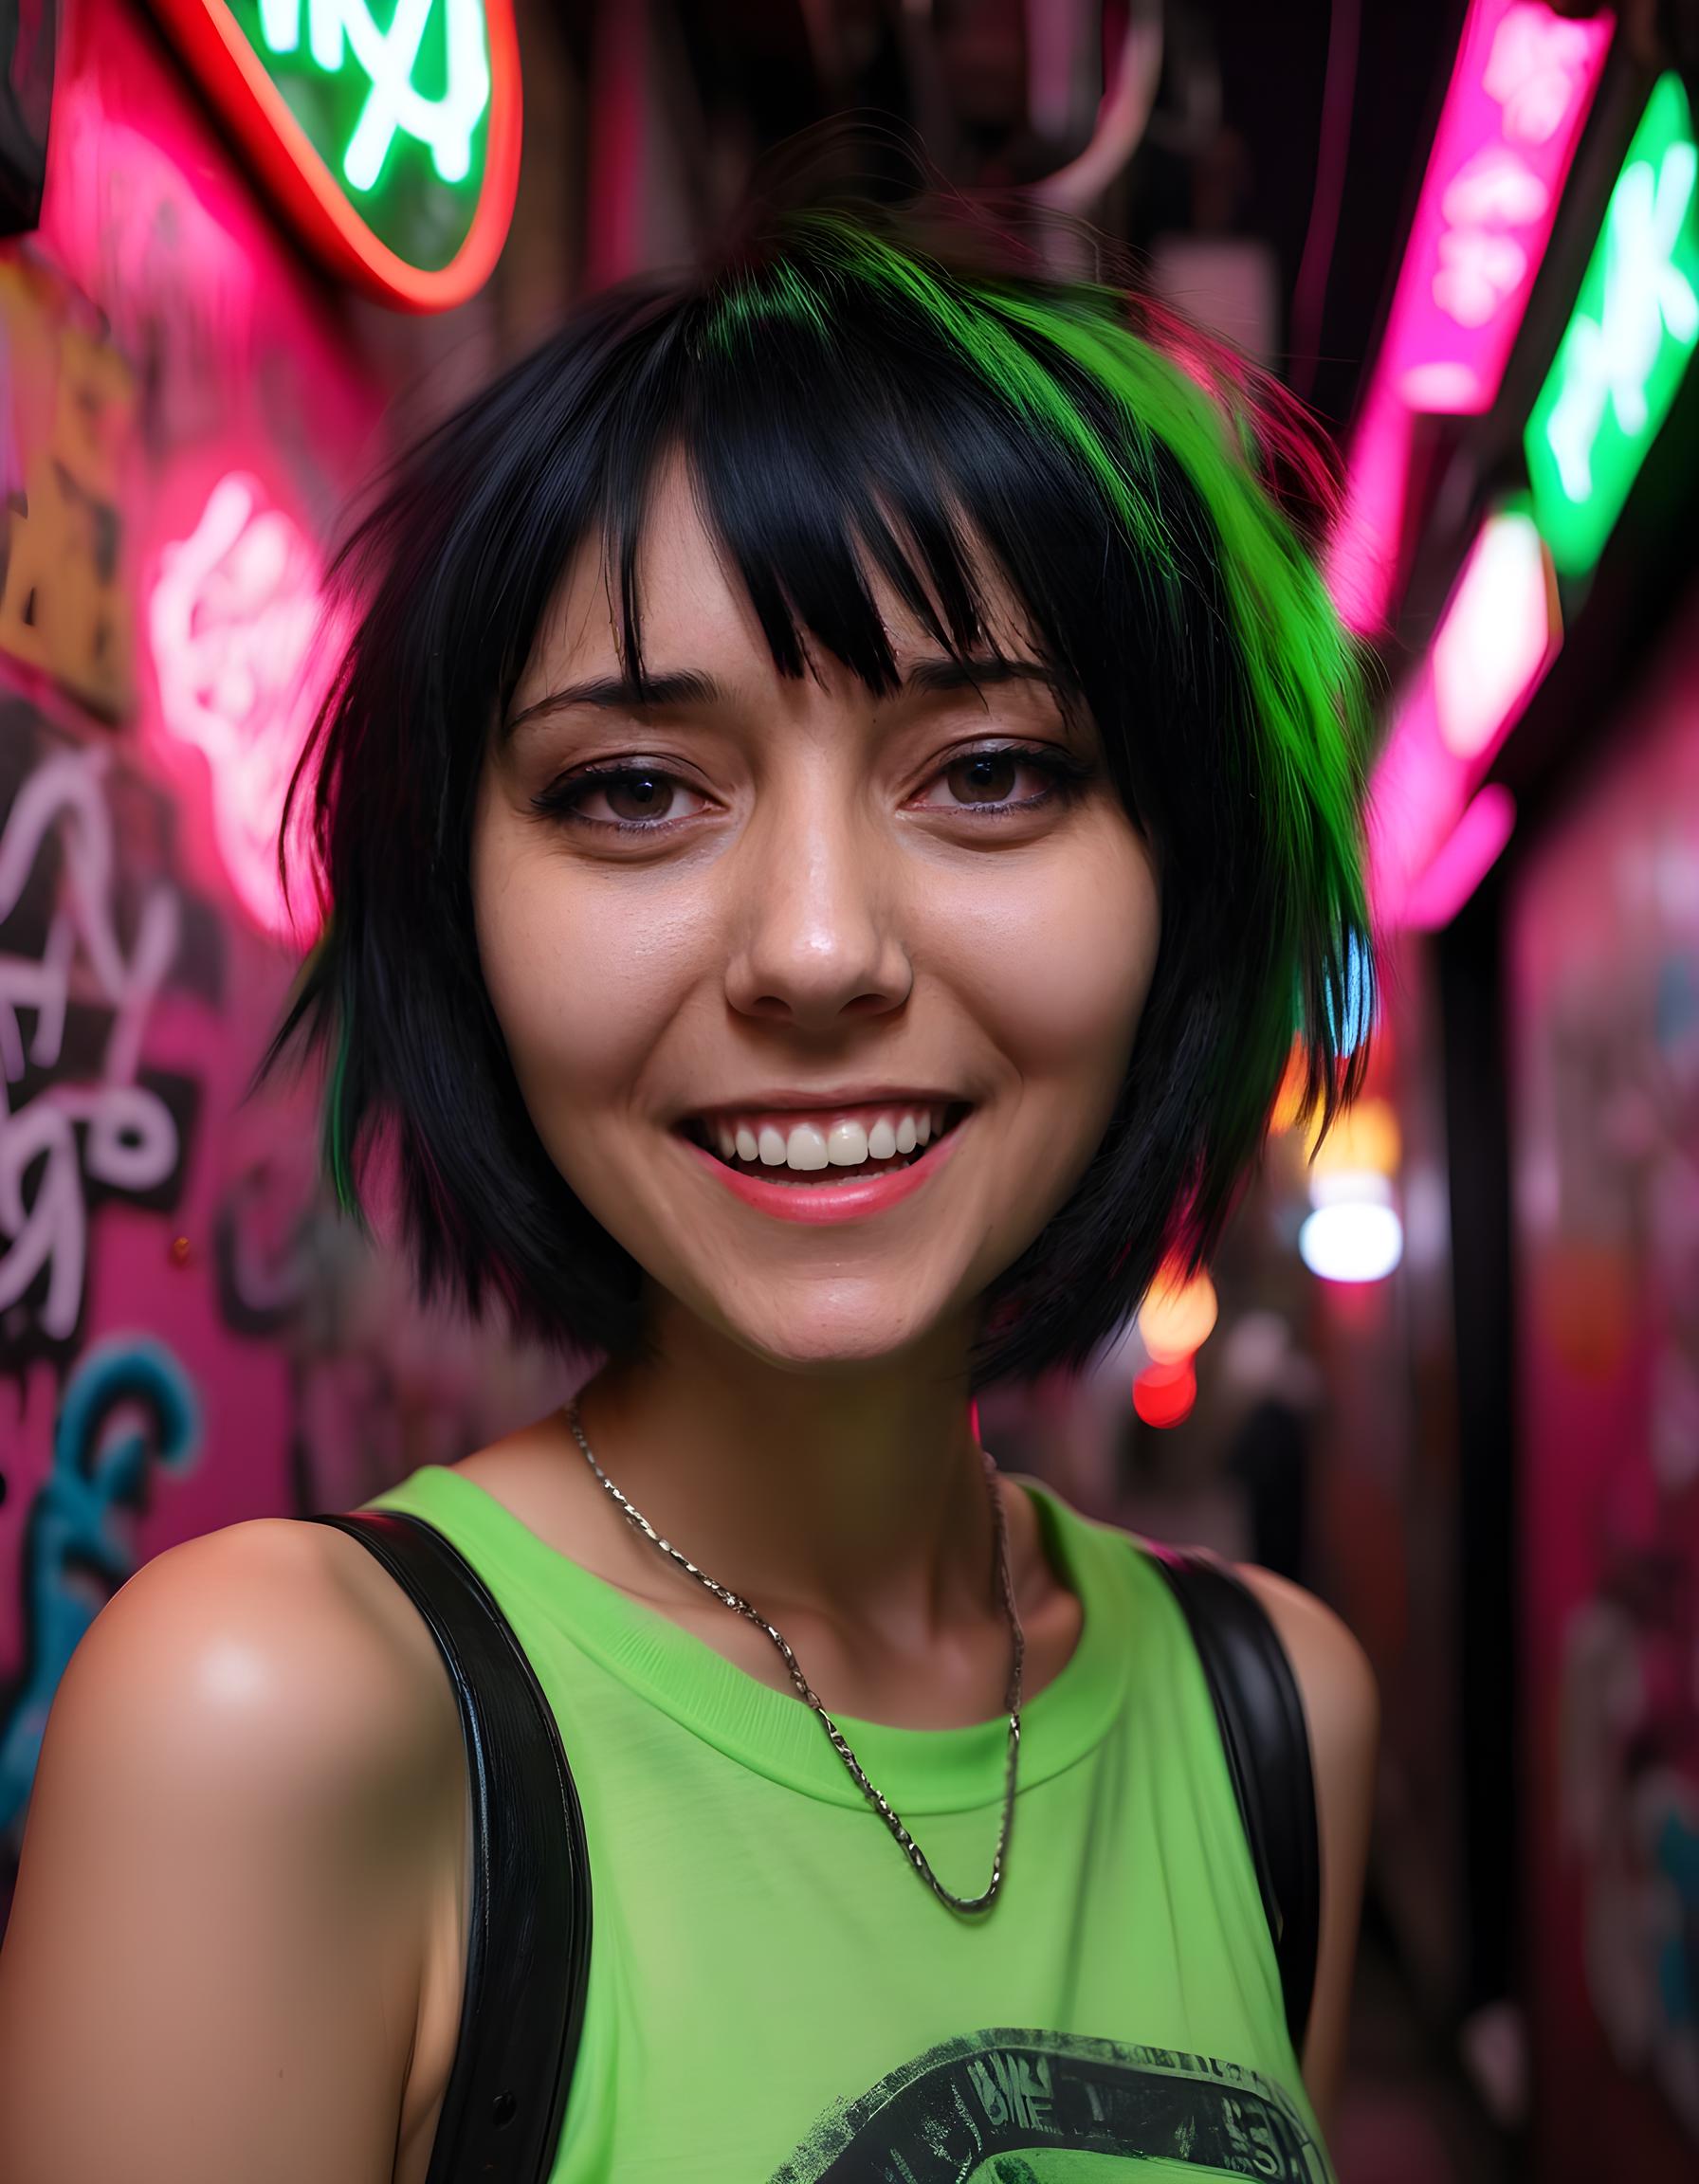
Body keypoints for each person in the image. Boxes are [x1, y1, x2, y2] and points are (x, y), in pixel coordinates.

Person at [0, 187, 1379, 2183]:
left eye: (987, 771)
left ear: (1181, 891)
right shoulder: (278, 1730)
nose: (814, 952)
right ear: (455, 909)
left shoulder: (1273, 1728)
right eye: (633, 790)